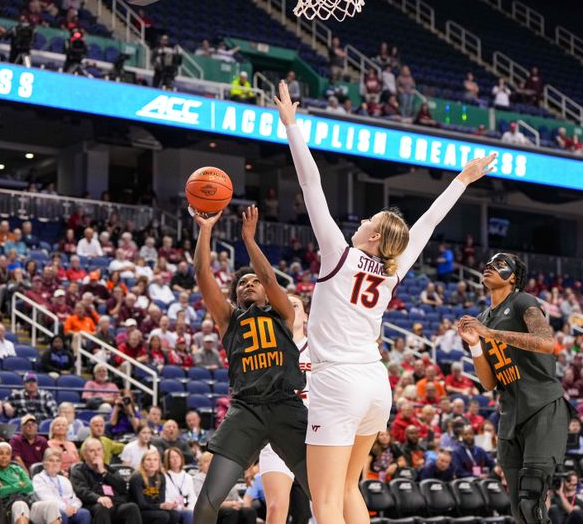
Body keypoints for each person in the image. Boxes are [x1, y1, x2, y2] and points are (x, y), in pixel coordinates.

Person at [275, 80, 494, 524]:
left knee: (326, 500)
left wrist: (292, 127)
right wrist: (462, 179)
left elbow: (310, 182)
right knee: (349, 489)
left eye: (367, 221)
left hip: (337, 383)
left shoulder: (339, 253)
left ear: (373, 236)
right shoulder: (393, 268)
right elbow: (429, 223)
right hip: (376, 385)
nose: (358, 222)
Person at [190, 203, 310, 524]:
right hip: (247, 410)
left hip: (287, 406)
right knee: (206, 503)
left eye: (254, 281)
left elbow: (270, 276)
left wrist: (249, 239)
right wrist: (205, 230)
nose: (249, 284)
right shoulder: (230, 320)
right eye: (242, 283)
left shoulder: (282, 313)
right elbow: (202, 275)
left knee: (324, 494)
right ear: (236, 296)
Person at [459, 253, 574, 524]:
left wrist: (490, 334)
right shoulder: (483, 317)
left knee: (531, 502)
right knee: (518, 510)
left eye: (500, 265)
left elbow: (546, 342)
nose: (489, 266)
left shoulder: (523, 301)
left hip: (543, 407)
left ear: (512, 278)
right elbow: (488, 383)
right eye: (487, 263)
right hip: (510, 413)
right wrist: (475, 345)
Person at [259, 294, 311, 524]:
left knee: (326, 506)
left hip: (315, 435)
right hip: (277, 434)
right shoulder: (266, 351)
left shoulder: (320, 349)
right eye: (284, 306)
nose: (289, 309)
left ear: (306, 316)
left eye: (295, 305)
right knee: (275, 508)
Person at [0, 442, 61, 524]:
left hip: (28, 502)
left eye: (8, 454)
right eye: (1, 453)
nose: (4, 457)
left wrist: (6, 487)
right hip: (7, 506)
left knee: (51, 506)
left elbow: (30, 487)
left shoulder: (17, 469)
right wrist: (19, 485)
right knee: (20, 505)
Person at [72, 438, 142, 524]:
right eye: (92, 451)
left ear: (103, 453)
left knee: (132, 507)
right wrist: (98, 498)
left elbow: (122, 487)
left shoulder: (110, 469)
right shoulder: (78, 471)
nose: (96, 453)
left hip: (115, 504)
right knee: (103, 507)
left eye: (99, 450)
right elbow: (81, 491)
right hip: (94, 504)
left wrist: (104, 472)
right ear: (85, 455)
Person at [33, 448, 92, 524]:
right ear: (44, 463)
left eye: (58, 461)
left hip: (68, 509)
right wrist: (65, 508)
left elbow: (74, 498)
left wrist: (74, 507)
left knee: (84, 513)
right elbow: (47, 499)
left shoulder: (64, 480)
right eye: (51, 460)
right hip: (48, 511)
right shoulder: (38, 478)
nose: (55, 463)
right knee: (60, 514)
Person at [128, 448, 181, 524]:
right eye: (148, 459)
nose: (152, 463)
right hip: (139, 512)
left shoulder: (161, 477)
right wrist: (160, 506)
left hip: (152, 509)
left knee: (174, 515)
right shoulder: (137, 477)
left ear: (159, 463)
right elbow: (141, 504)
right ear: (143, 462)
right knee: (163, 516)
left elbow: (161, 500)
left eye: (155, 460)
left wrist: (166, 506)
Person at [163, 448, 196, 523]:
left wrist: (189, 508)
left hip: (187, 509)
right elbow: (165, 498)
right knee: (188, 514)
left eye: (177, 456)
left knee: (192, 513)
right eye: (172, 457)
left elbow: (192, 497)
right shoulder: (164, 477)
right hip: (172, 509)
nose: (175, 459)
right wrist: (179, 507)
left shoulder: (188, 477)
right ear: (168, 460)